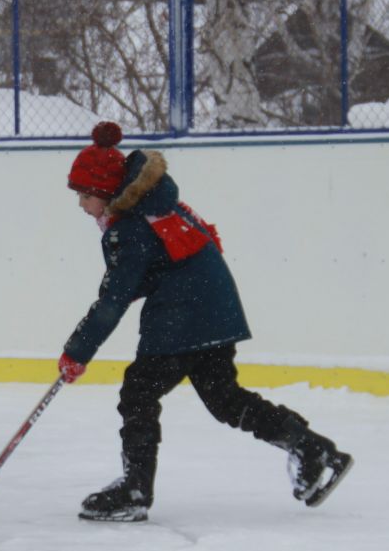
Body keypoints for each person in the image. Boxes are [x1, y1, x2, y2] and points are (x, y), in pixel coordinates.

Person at [54, 122, 351, 522]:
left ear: (107, 192)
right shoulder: (156, 205)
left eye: (85, 195)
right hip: (213, 309)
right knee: (224, 399)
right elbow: (156, 270)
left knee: (138, 393)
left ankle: (135, 491)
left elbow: (114, 299)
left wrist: (77, 351)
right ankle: (314, 450)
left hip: (183, 315)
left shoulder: (130, 229)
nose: (81, 205)